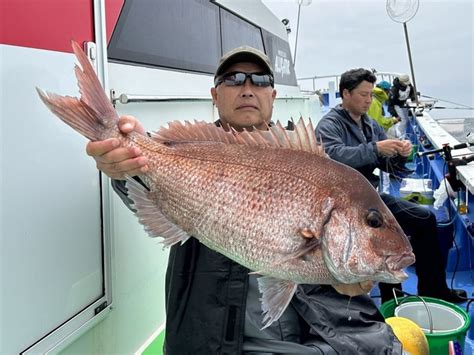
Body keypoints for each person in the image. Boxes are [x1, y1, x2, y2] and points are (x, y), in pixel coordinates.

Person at [86, 49, 403, 354]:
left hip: (296, 341)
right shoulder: (190, 149)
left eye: (261, 80)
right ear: (215, 95)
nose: (248, 89)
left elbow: (325, 264)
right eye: (234, 79)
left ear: (273, 95)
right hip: (205, 337)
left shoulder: (315, 162)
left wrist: (347, 284)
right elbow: (140, 185)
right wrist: (124, 165)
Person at [315, 68, 466, 305]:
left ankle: (433, 289)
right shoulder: (330, 125)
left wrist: (399, 154)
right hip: (343, 206)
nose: (368, 100)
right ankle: (392, 300)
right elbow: (332, 157)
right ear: (345, 93)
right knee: (386, 234)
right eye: (363, 95)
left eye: (370, 96)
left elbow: (386, 164)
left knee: (425, 219)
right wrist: (376, 149)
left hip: (369, 198)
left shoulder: (369, 124)